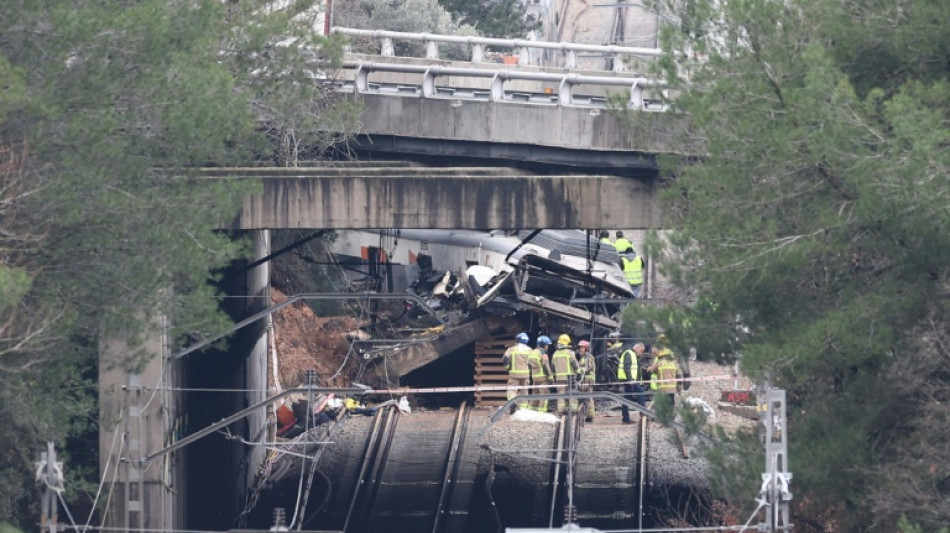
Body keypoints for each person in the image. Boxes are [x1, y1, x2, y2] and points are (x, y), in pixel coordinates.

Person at [502, 332, 533, 413]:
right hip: (525, 374)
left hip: (514, 374)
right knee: (524, 391)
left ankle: (513, 402)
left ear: (518, 340)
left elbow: (505, 359)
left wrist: (508, 368)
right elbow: (532, 362)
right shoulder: (530, 350)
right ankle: (523, 409)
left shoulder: (512, 349)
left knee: (511, 389)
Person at [551, 334, 580, 414]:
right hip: (569, 377)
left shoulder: (555, 354)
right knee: (571, 392)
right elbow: (575, 364)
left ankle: (561, 411)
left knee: (561, 394)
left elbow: (552, 367)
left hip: (559, 378)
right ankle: (573, 410)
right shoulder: (570, 353)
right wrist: (579, 373)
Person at [648, 341, 682, 409]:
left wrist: (649, 368)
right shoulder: (674, 364)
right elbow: (679, 377)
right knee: (670, 406)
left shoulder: (659, 363)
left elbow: (650, 371)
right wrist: (679, 389)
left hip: (662, 390)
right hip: (671, 390)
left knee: (662, 407)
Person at [618, 343, 647, 424]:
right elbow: (627, 367)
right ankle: (643, 413)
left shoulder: (632, 354)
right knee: (640, 391)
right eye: (641, 351)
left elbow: (635, 370)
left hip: (630, 380)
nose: (641, 353)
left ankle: (625, 418)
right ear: (637, 348)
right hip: (629, 380)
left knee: (627, 397)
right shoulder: (629, 353)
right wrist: (630, 379)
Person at [528, 335, 553, 412]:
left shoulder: (532, 352)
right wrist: (550, 376)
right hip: (543, 378)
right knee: (544, 396)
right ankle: (541, 412)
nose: (548, 347)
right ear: (544, 345)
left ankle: (531, 411)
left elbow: (528, 365)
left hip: (534, 378)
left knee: (535, 395)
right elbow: (546, 366)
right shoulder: (543, 353)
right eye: (547, 345)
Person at [576, 340, 597, 422]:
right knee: (583, 398)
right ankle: (582, 415)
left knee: (588, 398)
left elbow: (588, 368)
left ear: (586, 348)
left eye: (582, 347)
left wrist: (578, 370)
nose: (580, 349)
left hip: (588, 380)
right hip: (583, 381)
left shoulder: (589, 357)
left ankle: (590, 416)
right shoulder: (582, 357)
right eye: (580, 347)